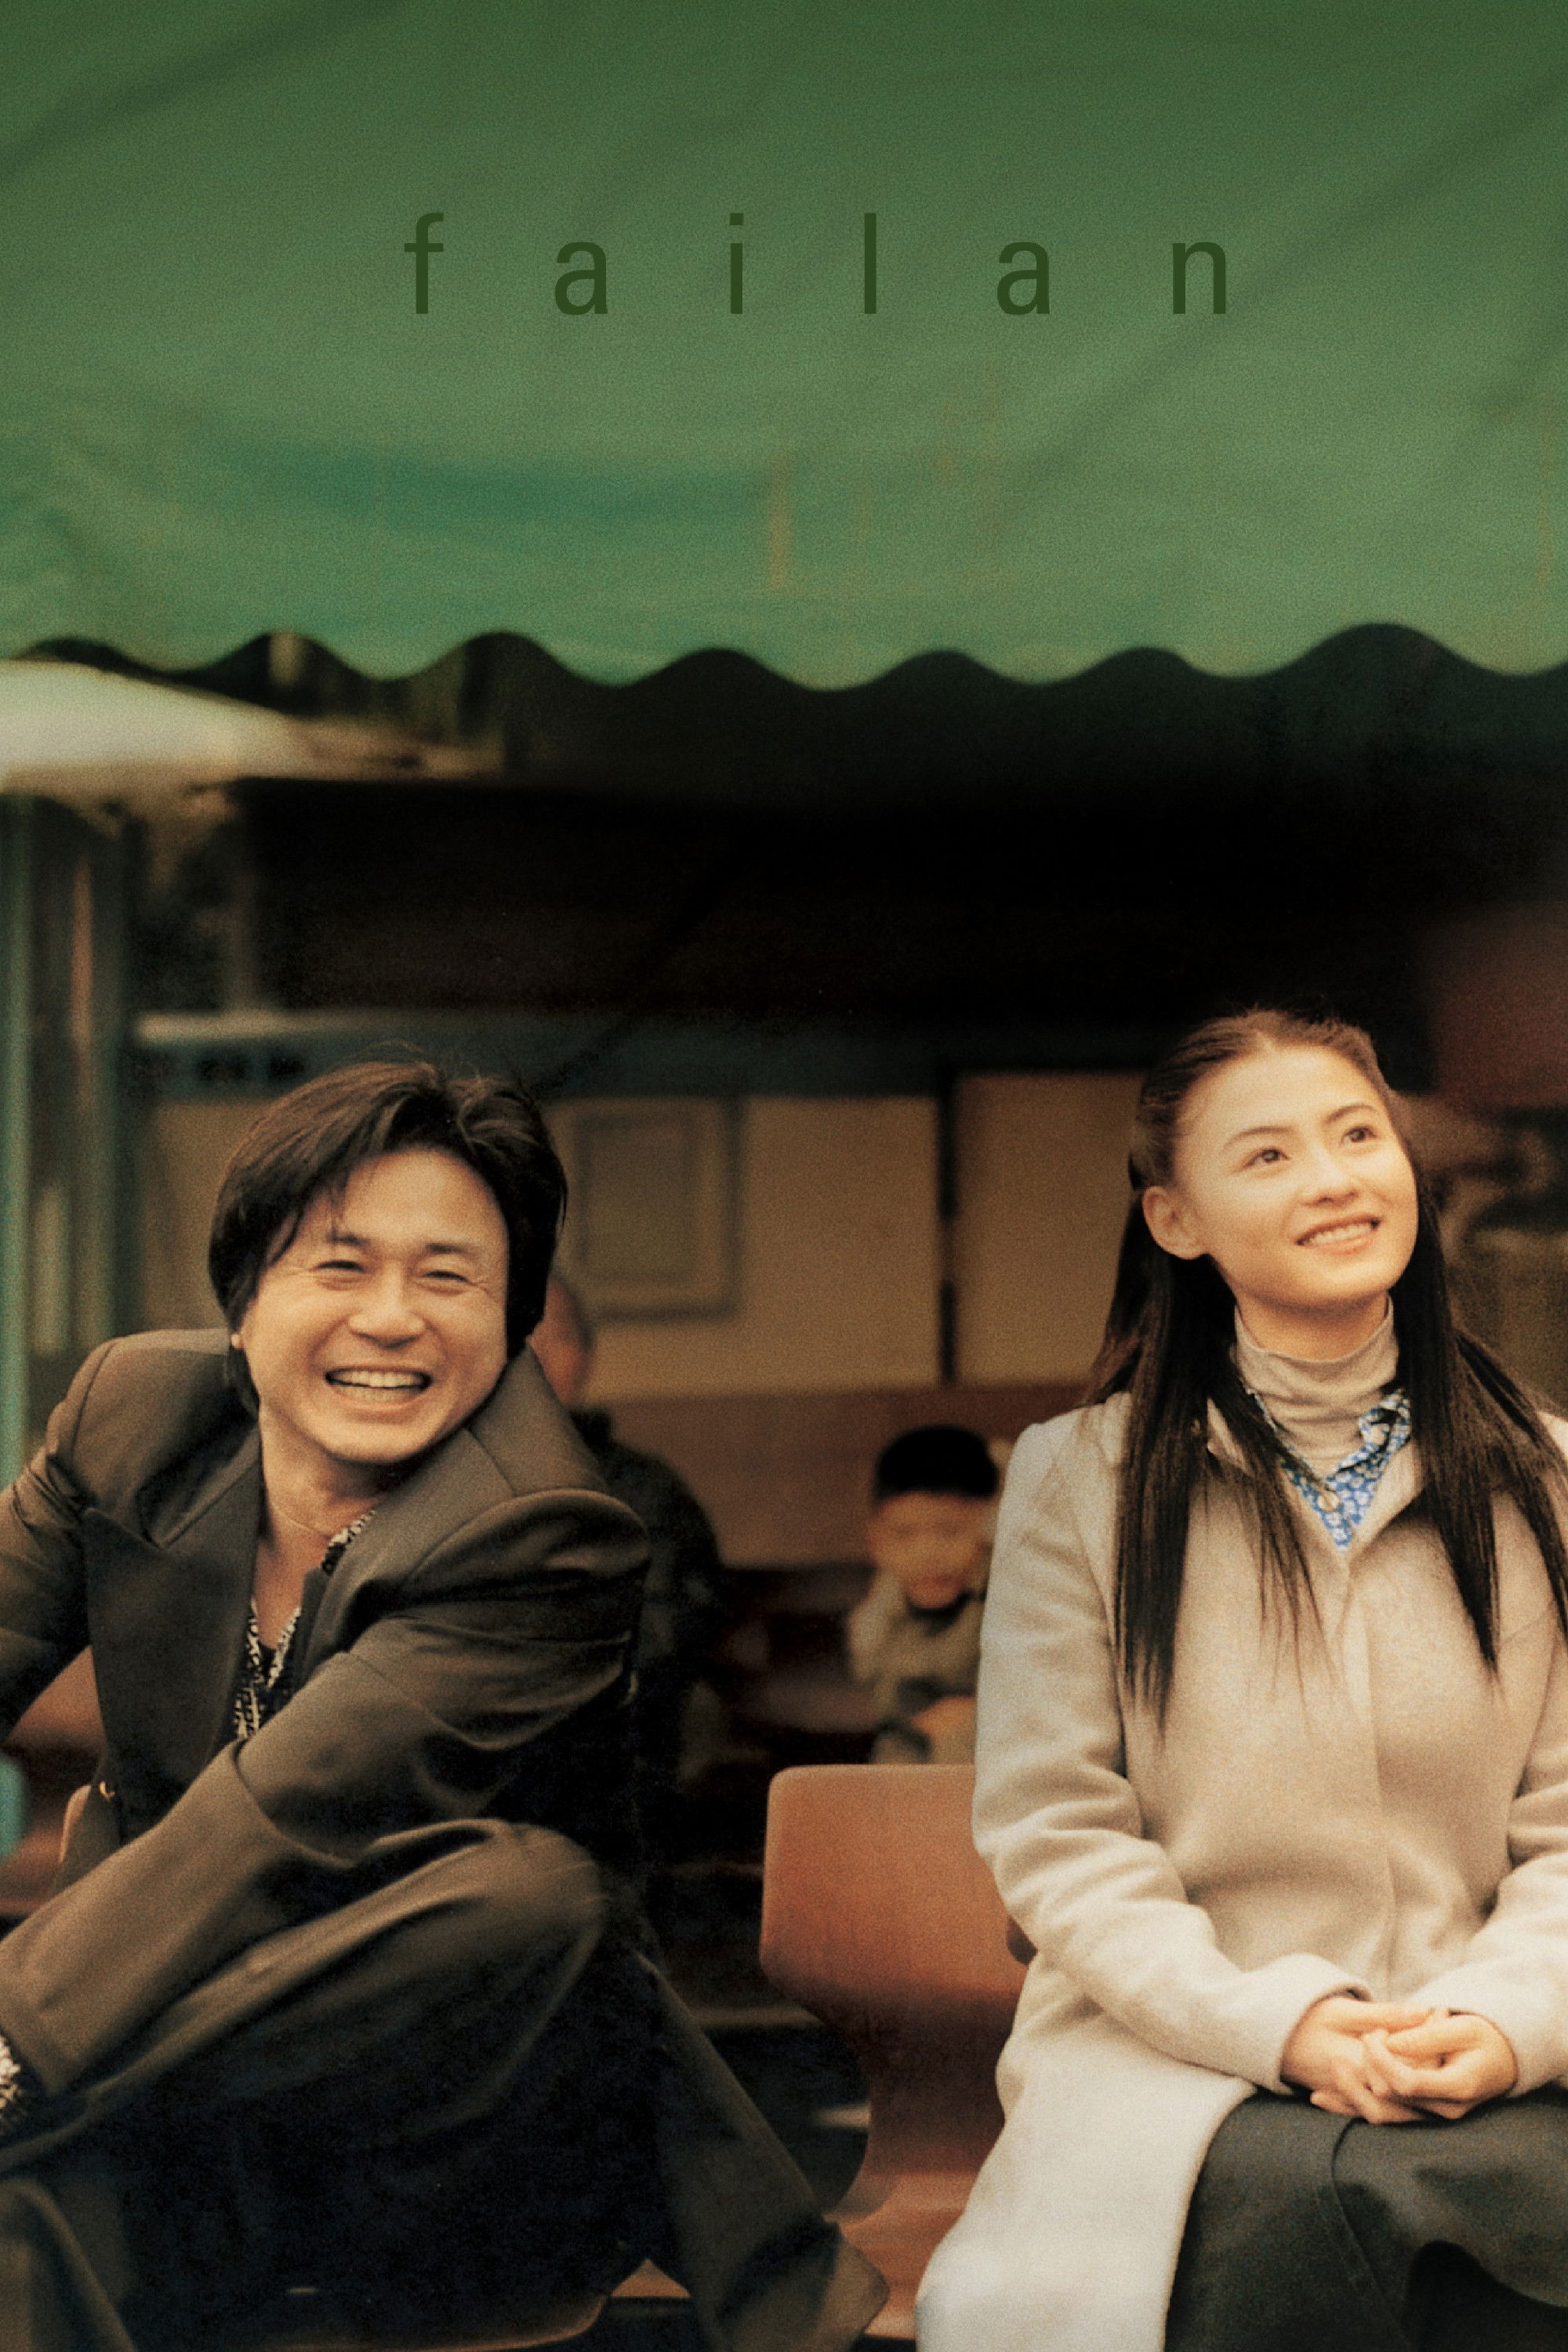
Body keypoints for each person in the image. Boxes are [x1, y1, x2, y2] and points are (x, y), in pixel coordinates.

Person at [0, 1060, 884, 2352]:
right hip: (182, 2100)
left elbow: (282, 1823)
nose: (392, 1318)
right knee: (20, 2215)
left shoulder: (546, 1525)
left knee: (532, 1896)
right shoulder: (132, 1418)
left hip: (463, 2137)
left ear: (513, 1322)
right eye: (340, 1266)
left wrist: (14, 2045)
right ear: (243, 1303)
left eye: (449, 1277)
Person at [918, 1009, 1568, 2352]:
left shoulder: (1549, 1475)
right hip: (1180, 2057)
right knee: (1300, 2198)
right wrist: (1290, 2024)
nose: (1333, 1179)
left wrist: (1506, 2021)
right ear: (1175, 1220)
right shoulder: (1078, 1482)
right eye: (1267, 1156)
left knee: (1496, 2189)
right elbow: (1057, 1836)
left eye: (1357, 1136)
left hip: (1486, 2046)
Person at [530, 1275, 726, 1850]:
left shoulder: (646, 1491)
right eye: (516, 1333)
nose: (536, 1353)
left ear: (587, 1357)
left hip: (602, 1747)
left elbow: (670, 1630)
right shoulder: (423, 1480)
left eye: (557, 1333)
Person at [844, 1425, 996, 1764]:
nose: (927, 1554)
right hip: (909, 1750)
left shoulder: (1008, 1602)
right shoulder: (879, 1617)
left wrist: (981, 1714)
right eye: (904, 1535)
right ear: (876, 1541)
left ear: (990, 1528)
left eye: (949, 1532)